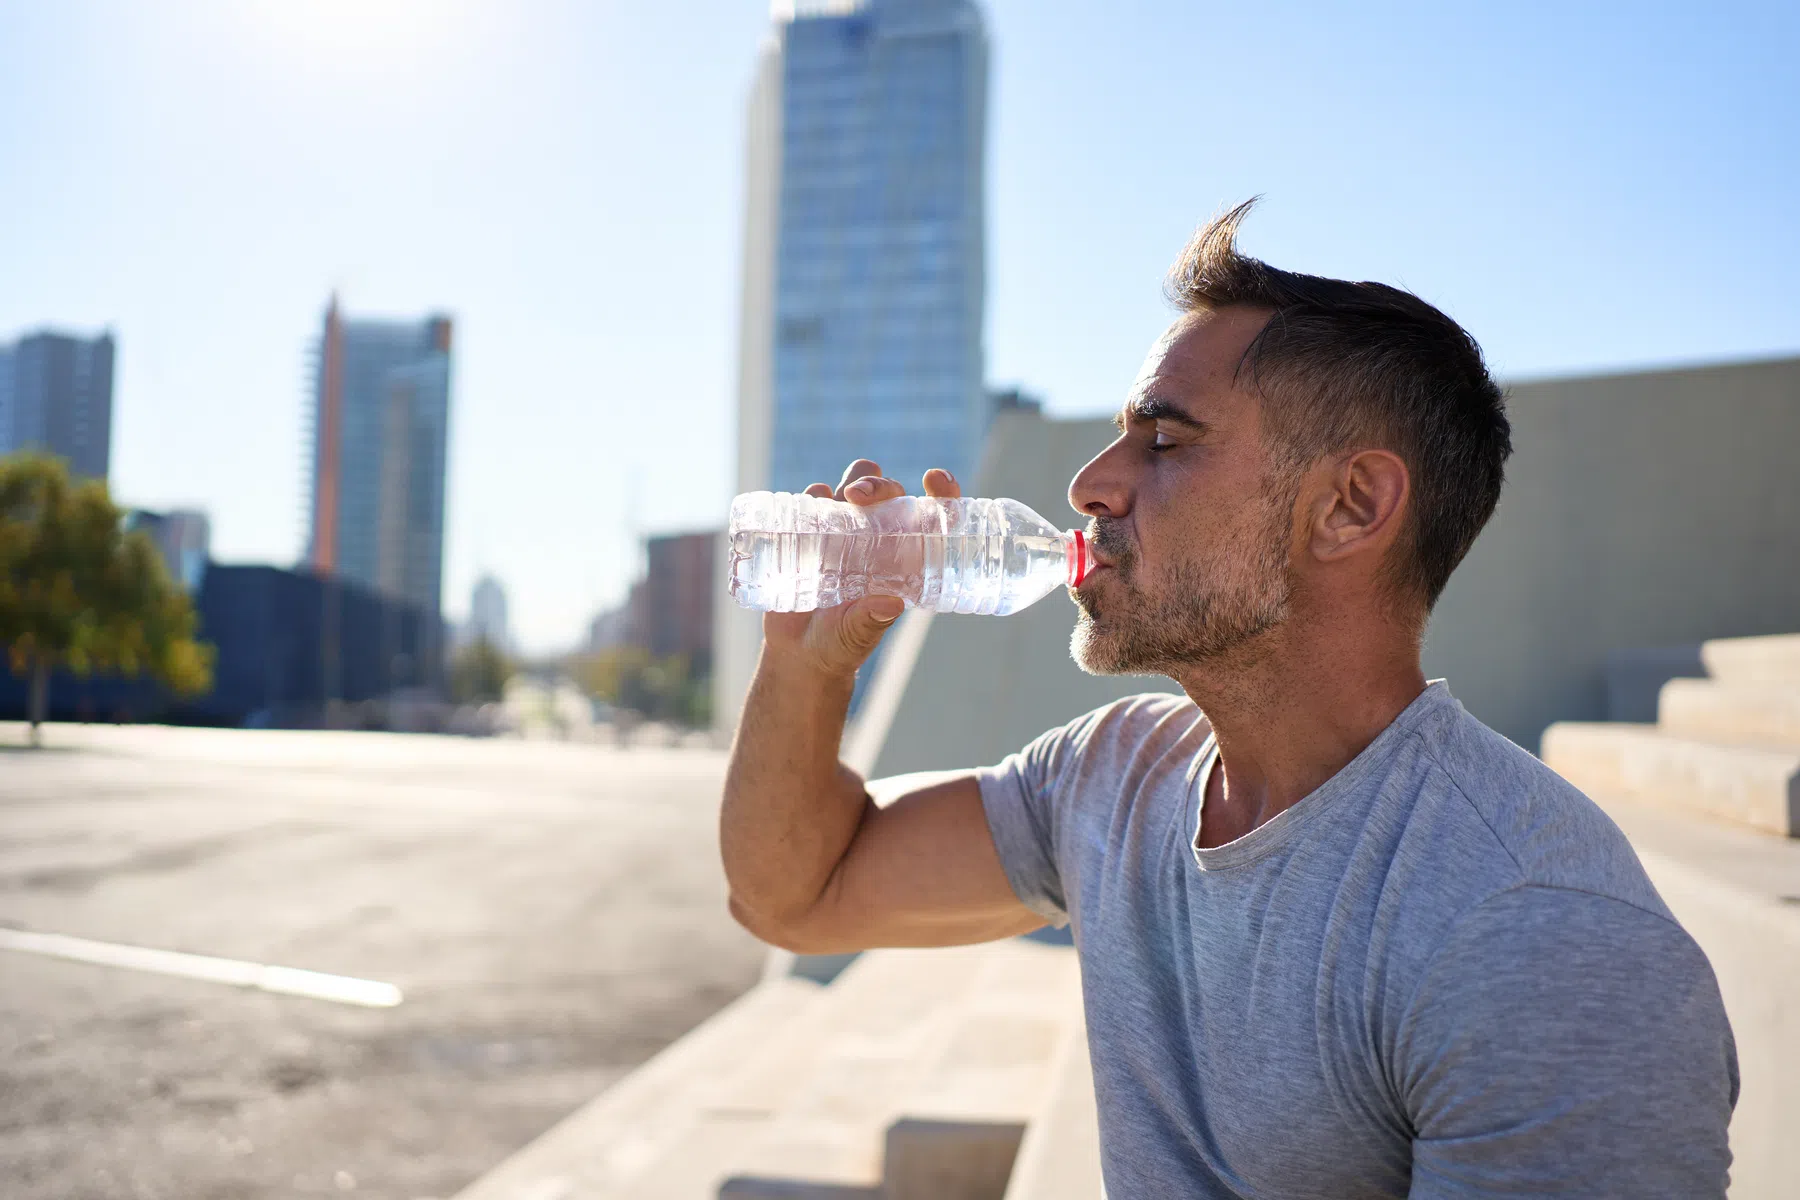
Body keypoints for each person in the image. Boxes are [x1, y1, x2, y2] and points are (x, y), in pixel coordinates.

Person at [720, 199, 1738, 1198]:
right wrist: (808, 666)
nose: (1090, 483)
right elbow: (797, 895)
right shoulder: (1116, 776)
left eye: (1164, 443)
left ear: (1349, 507)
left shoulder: (1540, 944)